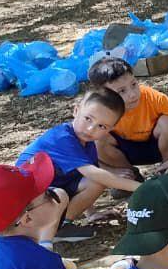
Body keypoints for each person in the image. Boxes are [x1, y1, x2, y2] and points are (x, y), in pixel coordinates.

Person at [15, 87, 140, 237]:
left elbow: (87, 177)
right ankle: (54, 229)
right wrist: (141, 188)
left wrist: (91, 213)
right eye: (88, 119)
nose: (90, 129)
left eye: (101, 126)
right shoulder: (62, 138)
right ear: (76, 111)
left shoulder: (88, 143)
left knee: (94, 182)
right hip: (25, 203)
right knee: (97, 179)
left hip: (48, 195)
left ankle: (59, 225)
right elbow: (95, 174)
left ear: (110, 130)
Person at [87, 56, 168, 176]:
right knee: (98, 138)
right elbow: (79, 147)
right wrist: (111, 172)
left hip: (157, 146)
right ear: (104, 94)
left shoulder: (150, 96)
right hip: (122, 152)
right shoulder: (96, 109)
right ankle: (129, 177)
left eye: (133, 84)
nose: (132, 94)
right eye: (122, 91)